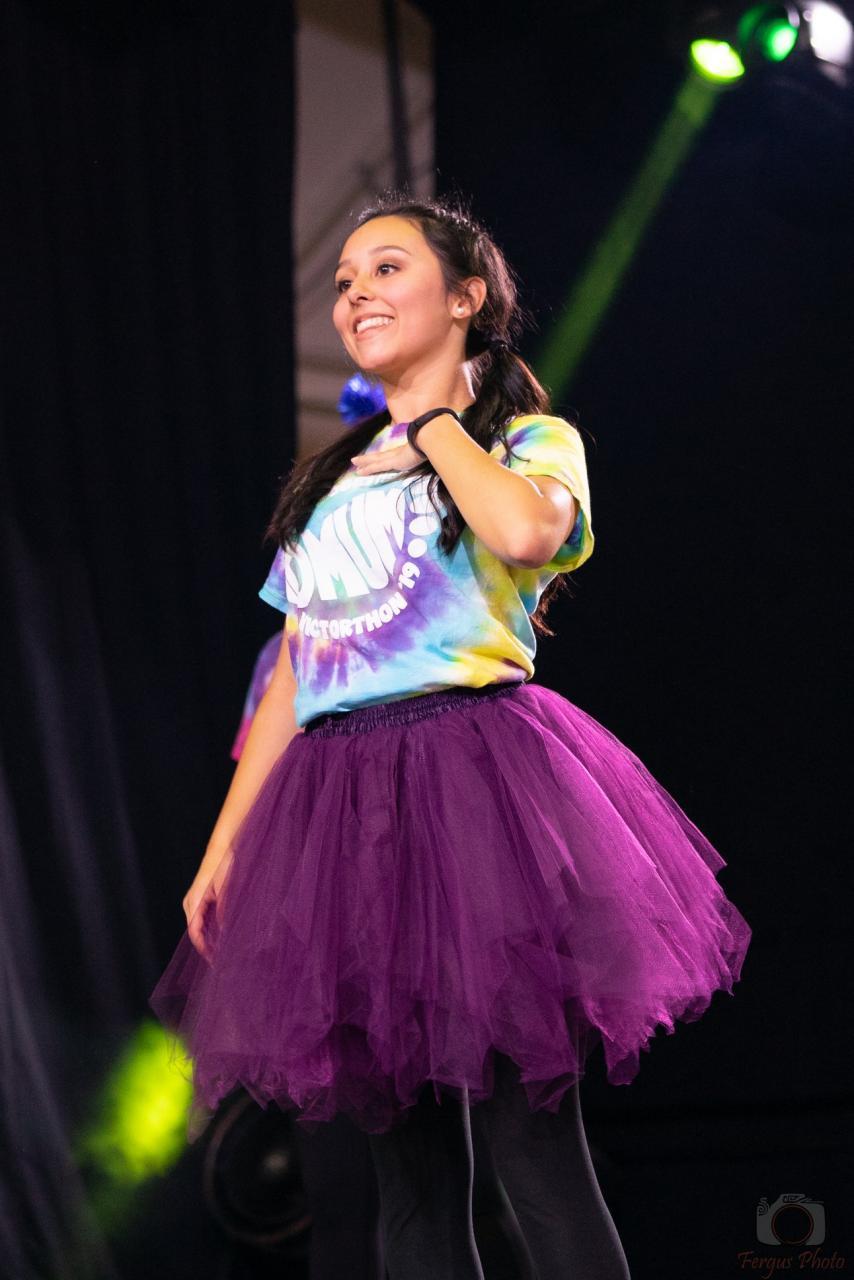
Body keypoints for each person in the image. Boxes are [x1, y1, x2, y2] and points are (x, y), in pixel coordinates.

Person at [149, 192, 752, 1279]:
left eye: (385, 268)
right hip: (342, 815)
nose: (354, 294)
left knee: (533, 1152)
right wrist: (222, 848)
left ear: (466, 297)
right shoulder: (326, 479)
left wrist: (433, 421)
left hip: (473, 791)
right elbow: (295, 672)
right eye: (343, 281)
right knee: (411, 1182)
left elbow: (523, 529)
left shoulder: (528, 441)